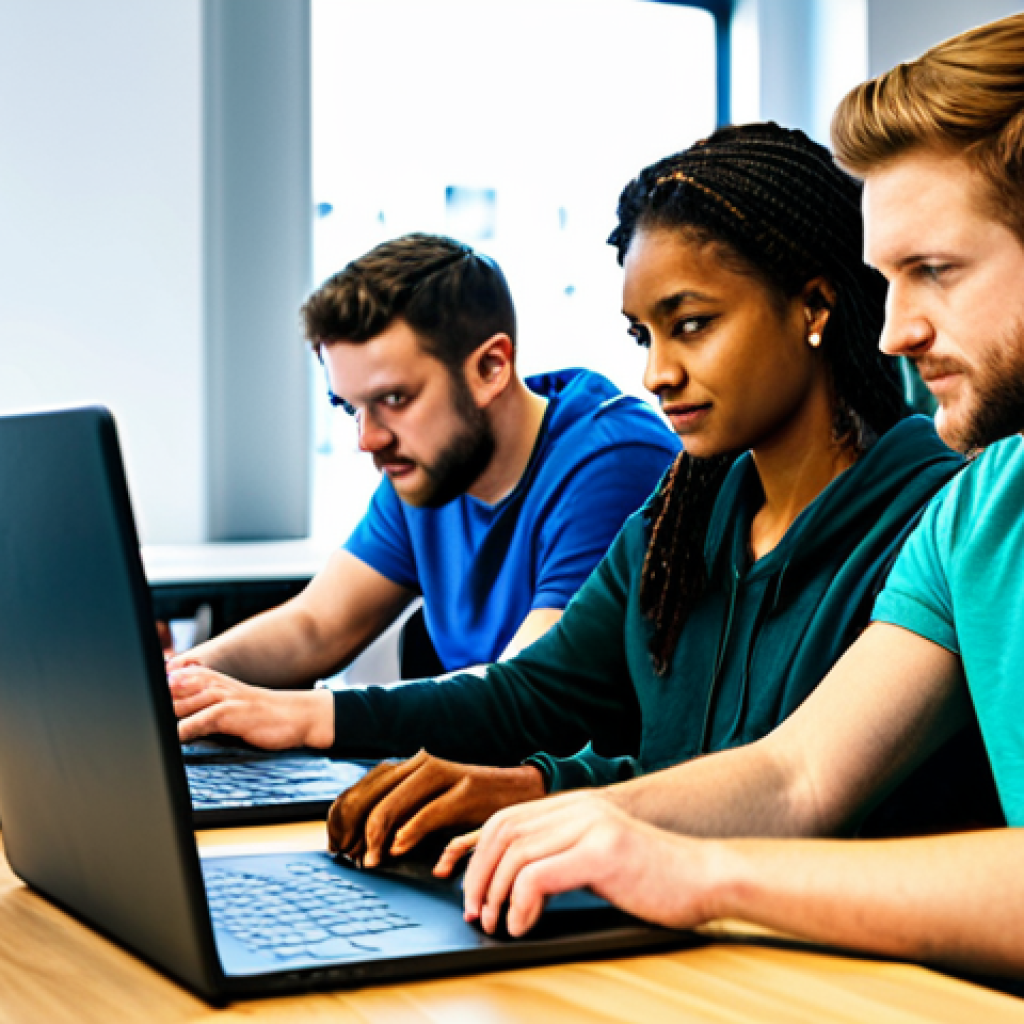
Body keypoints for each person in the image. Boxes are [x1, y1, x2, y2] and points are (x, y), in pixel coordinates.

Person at [450, 14, 1024, 981]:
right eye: (888, 279)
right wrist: (573, 817)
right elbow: (798, 774)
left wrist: (706, 875)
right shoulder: (980, 506)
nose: (895, 334)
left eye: (935, 271)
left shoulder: (932, 488)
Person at [305, 122, 966, 867]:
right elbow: (535, 696)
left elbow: (787, 793)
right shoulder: (681, 517)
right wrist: (305, 719)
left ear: (813, 306)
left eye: (691, 326)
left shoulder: (932, 519)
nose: (657, 373)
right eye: (642, 337)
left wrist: (543, 791)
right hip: (680, 926)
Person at [169, 233, 679, 746]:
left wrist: (303, 715)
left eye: (394, 398)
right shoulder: (431, 463)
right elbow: (316, 627)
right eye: (351, 408)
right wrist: (179, 679)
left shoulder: (615, 461)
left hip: (588, 802)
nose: (368, 439)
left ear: (490, 368)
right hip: (487, 788)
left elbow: (528, 689)